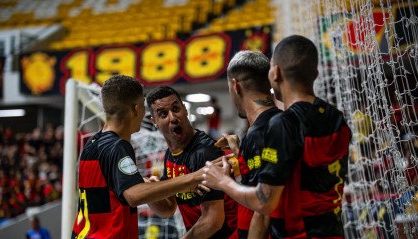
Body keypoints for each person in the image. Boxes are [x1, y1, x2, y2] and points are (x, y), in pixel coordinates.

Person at [203, 35, 352, 238]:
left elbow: (264, 203)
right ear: (315, 74)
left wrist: (222, 181)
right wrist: (241, 153)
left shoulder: (282, 124)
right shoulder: (336, 117)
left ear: (276, 73)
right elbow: (301, 167)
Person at [72, 75, 209, 239]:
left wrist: (145, 185)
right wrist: (193, 178)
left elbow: (165, 208)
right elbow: (134, 196)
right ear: (136, 108)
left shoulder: (92, 144)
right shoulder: (117, 146)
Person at [146, 86, 237, 239]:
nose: (173, 117)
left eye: (176, 108)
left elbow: (213, 220)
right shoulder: (171, 154)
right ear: (154, 121)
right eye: (163, 114)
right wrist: (150, 192)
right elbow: (168, 208)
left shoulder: (205, 152)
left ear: (185, 110)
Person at [214, 50, 282, 239]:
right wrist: (239, 153)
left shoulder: (259, 133)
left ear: (235, 86)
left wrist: (222, 181)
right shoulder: (280, 122)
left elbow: (263, 207)